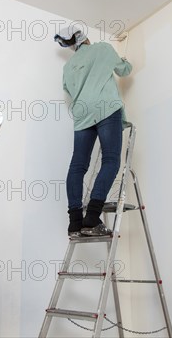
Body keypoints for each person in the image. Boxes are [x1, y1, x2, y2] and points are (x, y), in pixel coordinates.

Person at [54, 26, 132, 237]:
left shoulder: (68, 66)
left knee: (77, 166)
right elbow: (124, 70)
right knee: (111, 160)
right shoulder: (103, 49)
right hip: (105, 107)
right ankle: (92, 218)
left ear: (71, 45)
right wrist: (125, 60)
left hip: (82, 113)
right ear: (85, 37)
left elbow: (69, 91)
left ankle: (75, 222)